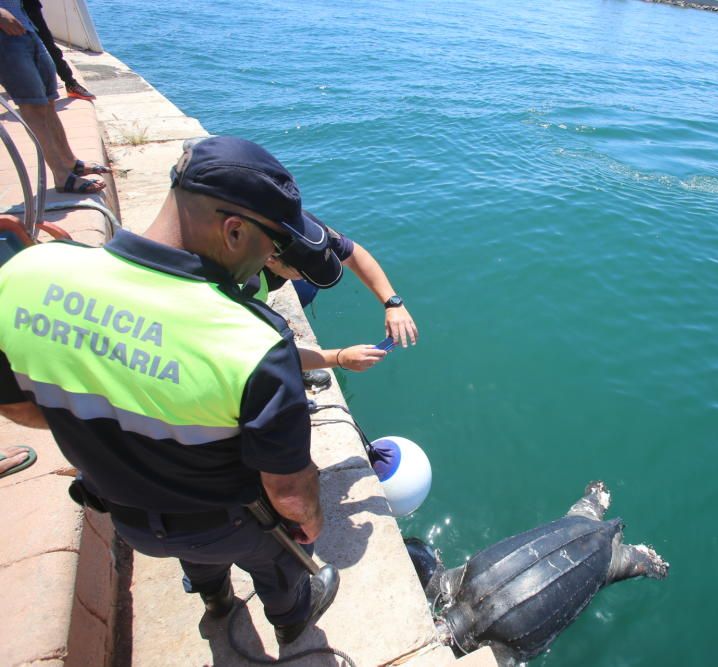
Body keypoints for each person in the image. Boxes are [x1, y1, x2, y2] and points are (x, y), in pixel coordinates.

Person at [0, 136, 340, 644]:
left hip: (128, 517)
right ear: (234, 230)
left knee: (198, 560)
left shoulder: (26, 275)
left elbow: (17, 406)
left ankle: (216, 601)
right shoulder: (254, 344)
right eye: (273, 246)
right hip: (229, 523)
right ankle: (291, 624)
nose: (271, 261)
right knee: (281, 564)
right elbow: (288, 492)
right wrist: (310, 522)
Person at [250, 214, 419, 373]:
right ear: (271, 259)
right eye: (301, 273)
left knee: (308, 288)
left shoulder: (307, 232)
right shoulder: (245, 286)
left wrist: (392, 303)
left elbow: (353, 254)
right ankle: (299, 367)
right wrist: (339, 358)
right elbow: (262, 354)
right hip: (237, 334)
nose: (304, 279)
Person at [0, 0, 109, 194]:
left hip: (26, 25)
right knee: (33, 107)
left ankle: (70, 163)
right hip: (5, 38)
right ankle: (62, 176)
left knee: (48, 100)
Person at [23, 0, 96, 100]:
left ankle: (69, 83)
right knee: (44, 46)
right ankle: (69, 83)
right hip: (14, 10)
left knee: (47, 44)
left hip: (27, 8)